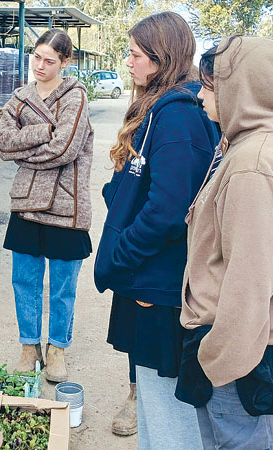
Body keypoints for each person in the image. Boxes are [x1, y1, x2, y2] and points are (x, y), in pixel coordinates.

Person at [94, 12, 219, 449]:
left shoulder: (179, 116)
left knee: (167, 414)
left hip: (159, 286)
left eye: (135, 55)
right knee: (152, 399)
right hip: (152, 279)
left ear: (161, 58)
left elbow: (168, 209)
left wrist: (123, 257)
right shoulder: (165, 108)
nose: (128, 62)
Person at [176, 35, 273, 449]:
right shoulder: (243, 145)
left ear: (242, 89)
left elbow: (250, 279)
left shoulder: (251, 165)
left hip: (236, 362)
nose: (200, 96)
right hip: (235, 350)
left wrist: (218, 359)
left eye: (210, 87)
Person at [0, 29, 94, 382]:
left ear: (65, 63)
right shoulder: (19, 98)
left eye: (49, 61)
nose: (40, 65)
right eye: (36, 57)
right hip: (25, 202)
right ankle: (29, 348)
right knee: (24, 280)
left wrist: (24, 154)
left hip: (66, 202)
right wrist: (43, 132)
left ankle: (57, 349)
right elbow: (2, 143)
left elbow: (65, 149)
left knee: (63, 285)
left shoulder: (75, 96)